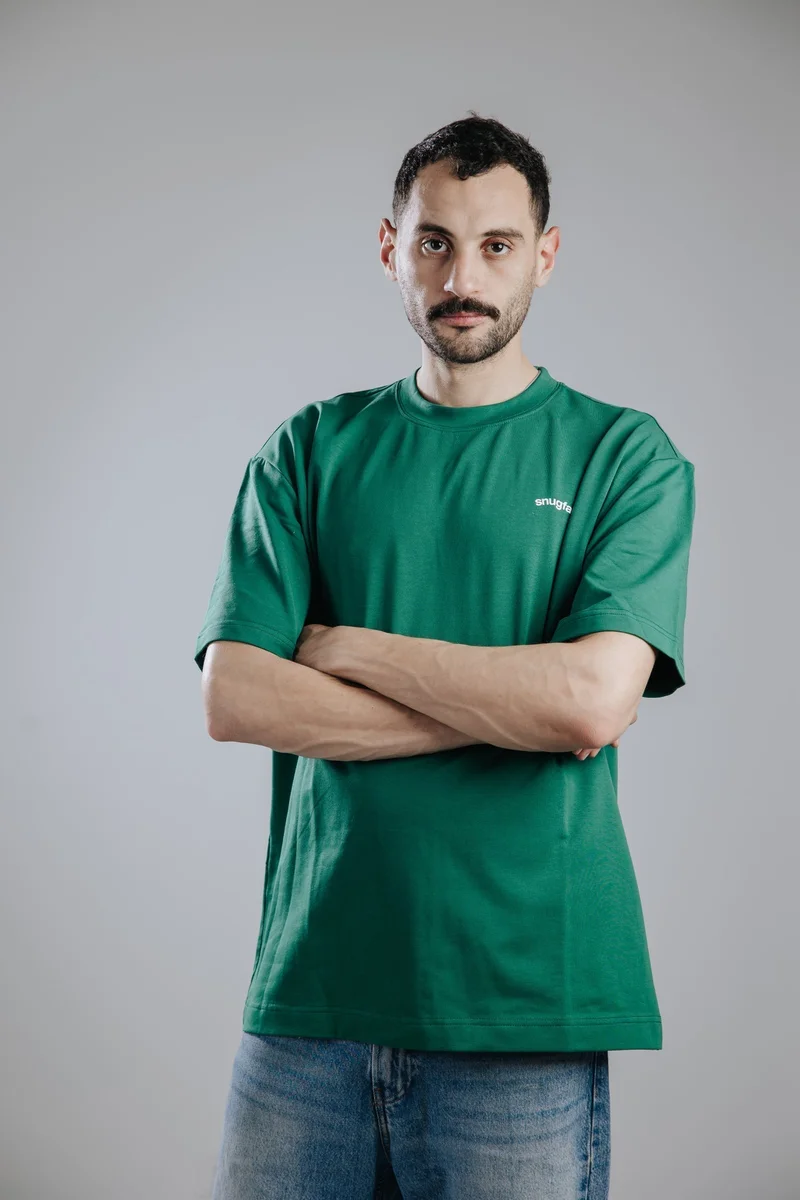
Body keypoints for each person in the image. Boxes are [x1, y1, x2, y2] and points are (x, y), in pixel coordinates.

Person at [194, 110, 696, 1200]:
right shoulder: (309, 449)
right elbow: (235, 696)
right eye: (434, 242)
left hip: (521, 1009)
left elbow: (587, 702)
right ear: (391, 248)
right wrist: (516, 706)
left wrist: (347, 647)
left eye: (495, 245)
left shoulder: (624, 456)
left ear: (543, 256)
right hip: (310, 1003)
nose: (462, 277)